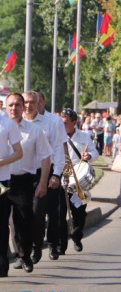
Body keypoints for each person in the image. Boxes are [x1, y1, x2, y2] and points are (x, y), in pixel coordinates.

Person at [23, 91, 66, 261]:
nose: (31, 106)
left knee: (51, 211)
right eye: (26, 102)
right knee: (28, 213)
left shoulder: (52, 122)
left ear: (41, 102)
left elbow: (59, 149)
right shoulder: (18, 122)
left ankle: (52, 243)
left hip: (48, 171)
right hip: (24, 173)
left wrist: (57, 174)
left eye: (35, 102)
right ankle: (28, 248)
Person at [2, 94, 36, 275]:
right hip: (3, 180)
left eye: (17, 105)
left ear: (22, 107)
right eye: (10, 105)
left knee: (23, 220)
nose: (13, 108)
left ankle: (24, 255)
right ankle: (4, 262)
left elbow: (46, 156)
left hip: (22, 180)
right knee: (2, 222)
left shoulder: (33, 129)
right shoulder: (3, 125)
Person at [60, 108, 98, 253]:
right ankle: (60, 246)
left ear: (74, 122)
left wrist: (88, 155)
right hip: (62, 177)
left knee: (79, 213)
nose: (62, 125)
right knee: (59, 213)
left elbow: (95, 152)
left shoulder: (83, 137)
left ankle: (76, 236)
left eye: (65, 122)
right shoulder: (57, 136)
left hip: (78, 180)